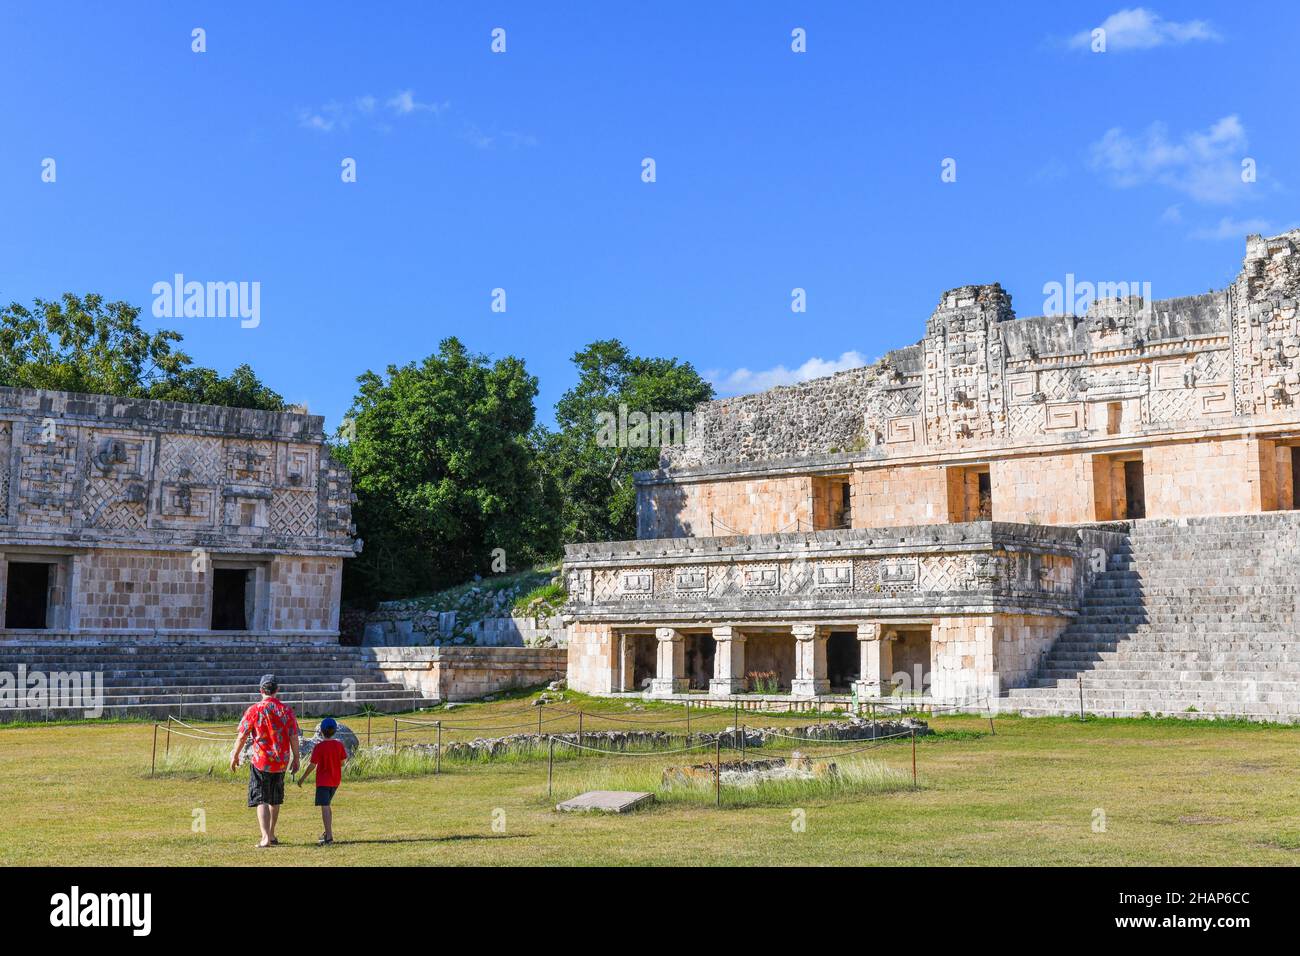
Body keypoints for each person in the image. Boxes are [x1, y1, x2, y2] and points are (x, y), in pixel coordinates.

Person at [230, 674, 300, 848]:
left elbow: (242, 735)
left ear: (261, 690)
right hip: (281, 761)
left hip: (261, 760)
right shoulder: (286, 710)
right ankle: (272, 833)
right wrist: (296, 757)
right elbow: (293, 736)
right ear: (277, 690)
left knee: (261, 798)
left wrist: (235, 755)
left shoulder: (254, 710)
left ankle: (265, 837)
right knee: (275, 799)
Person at [296, 717, 348, 845]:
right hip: (335, 781)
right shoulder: (339, 745)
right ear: (335, 731)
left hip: (323, 782)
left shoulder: (319, 747)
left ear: (321, 731)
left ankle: (329, 837)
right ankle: (327, 831)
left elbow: (312, 765)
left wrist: (302, 778)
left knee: (324, 807)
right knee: (327, 805)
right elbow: (342, 763)